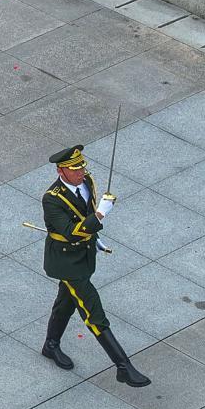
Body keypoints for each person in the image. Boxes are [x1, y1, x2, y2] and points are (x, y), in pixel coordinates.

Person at [40, 144, 151, 385]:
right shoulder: (52, 199)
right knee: (94, 313)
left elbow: (84, 215)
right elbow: (70, 232)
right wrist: (100, 214)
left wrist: (95, 238)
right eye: (74, 169)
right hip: (67, 262)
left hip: (85, 254)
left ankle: (50, 345)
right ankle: (124, 367)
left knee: (65, 303)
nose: (80, 172)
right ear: (61, 171)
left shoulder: (87, 182)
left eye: (81, 167)